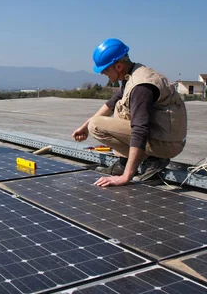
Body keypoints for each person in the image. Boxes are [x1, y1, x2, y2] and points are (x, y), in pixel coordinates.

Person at [72, 38, 187, 187]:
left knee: (96, 125)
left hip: (166, 144)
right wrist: (83, 127)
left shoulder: (140, 87)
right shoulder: (132, 75)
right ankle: (127, 161)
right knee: (98, 120)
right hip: (161, 137)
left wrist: (126, 177)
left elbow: (140, 129)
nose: (103, 74)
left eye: (105, 70)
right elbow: (111, 104)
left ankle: (154, 160)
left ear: (118, 66)